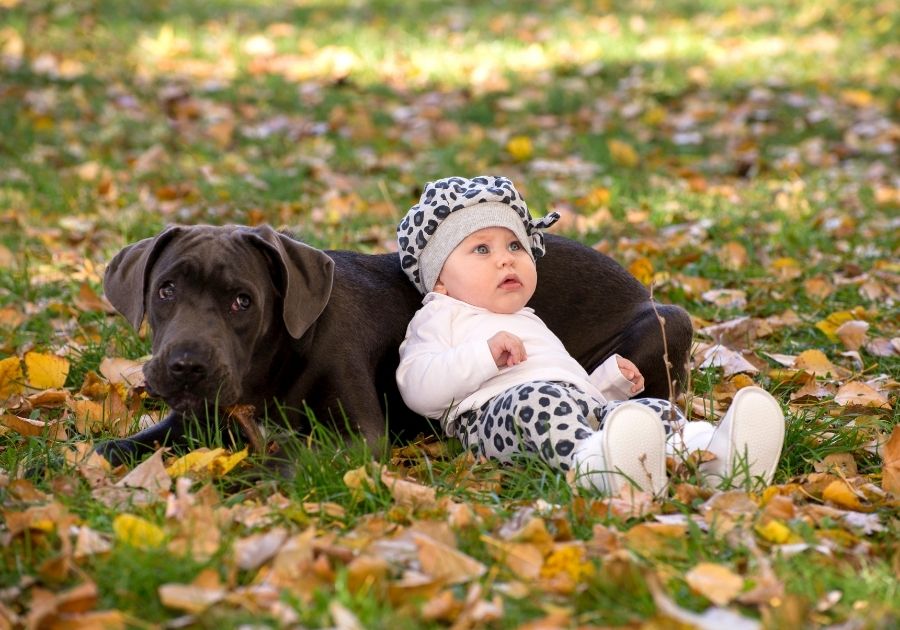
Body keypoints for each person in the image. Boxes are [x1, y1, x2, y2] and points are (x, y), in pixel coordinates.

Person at [396, 175, 785, 494]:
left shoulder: (529, 318)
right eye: (481, 249)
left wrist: (608, 384)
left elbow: (570, 384)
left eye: (515, 244)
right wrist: (482, 357)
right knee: (541, 402)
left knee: (647, 412)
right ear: (440, 281)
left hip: (573, 406)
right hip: (495, 420)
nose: (506, 257)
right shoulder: (440, 315)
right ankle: (594, 467)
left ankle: (710, 455)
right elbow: (417, 388)